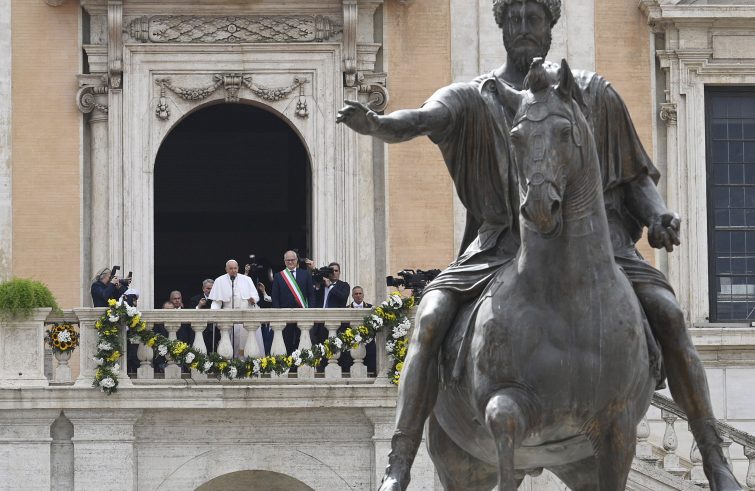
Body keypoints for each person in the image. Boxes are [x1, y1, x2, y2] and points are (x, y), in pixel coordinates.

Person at [337, 1, 741, 489]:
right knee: (429, 319)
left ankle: (714, 458)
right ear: (502, 26)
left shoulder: (595, 94)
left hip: (602, 249)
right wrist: (378, 125)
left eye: (534, 18)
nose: (524, 27)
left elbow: (634, 176)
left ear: (551, 26)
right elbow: (421, 119)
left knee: (670, 316)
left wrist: (657, 215)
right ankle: (399, 463)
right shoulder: (476, 97)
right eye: (515, 18)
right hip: (499, 248)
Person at [208, 259, 261, 358]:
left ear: (238, 268)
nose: (233, 270)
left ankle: (244, 362)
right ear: (226, 269)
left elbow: (255, 296)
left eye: (235, 268)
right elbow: (216, 302)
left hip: (244, 315)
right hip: (228, 317)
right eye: (231, 268)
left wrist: (253, 300)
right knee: (229, 342)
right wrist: (213, 313)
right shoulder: (219, 280)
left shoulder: (247, 279)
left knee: (246, 343)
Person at [271, 250, 315, 354]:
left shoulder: (305, 274)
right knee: (287, 340)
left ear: (296, 260)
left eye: (292, 260)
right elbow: (275, 297)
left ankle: (302, 361)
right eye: (288, 260)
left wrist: (311, 310)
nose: (290, 262)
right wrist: (278, 314)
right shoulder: (279, 276)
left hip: (302, 312)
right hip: (285, 314)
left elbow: (311, 294)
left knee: (303, 339)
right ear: (284, 261)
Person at [347, 286, 376, 375]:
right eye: (356, 294)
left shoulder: (371, 308)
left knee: (371, 368)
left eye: (360, 293)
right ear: (352, 296)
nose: (358, 295)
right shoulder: (347, 309)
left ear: (363, 295)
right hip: (353, 343)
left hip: (368, 343)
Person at [190, 279, 220, 353]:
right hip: (201, 331)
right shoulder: (195, 299)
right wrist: (199, 306)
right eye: (208, 288)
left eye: (212, 289)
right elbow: (190, 315)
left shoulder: (218, 300)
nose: (210, 291)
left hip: (215, 332)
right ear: (203, 289)